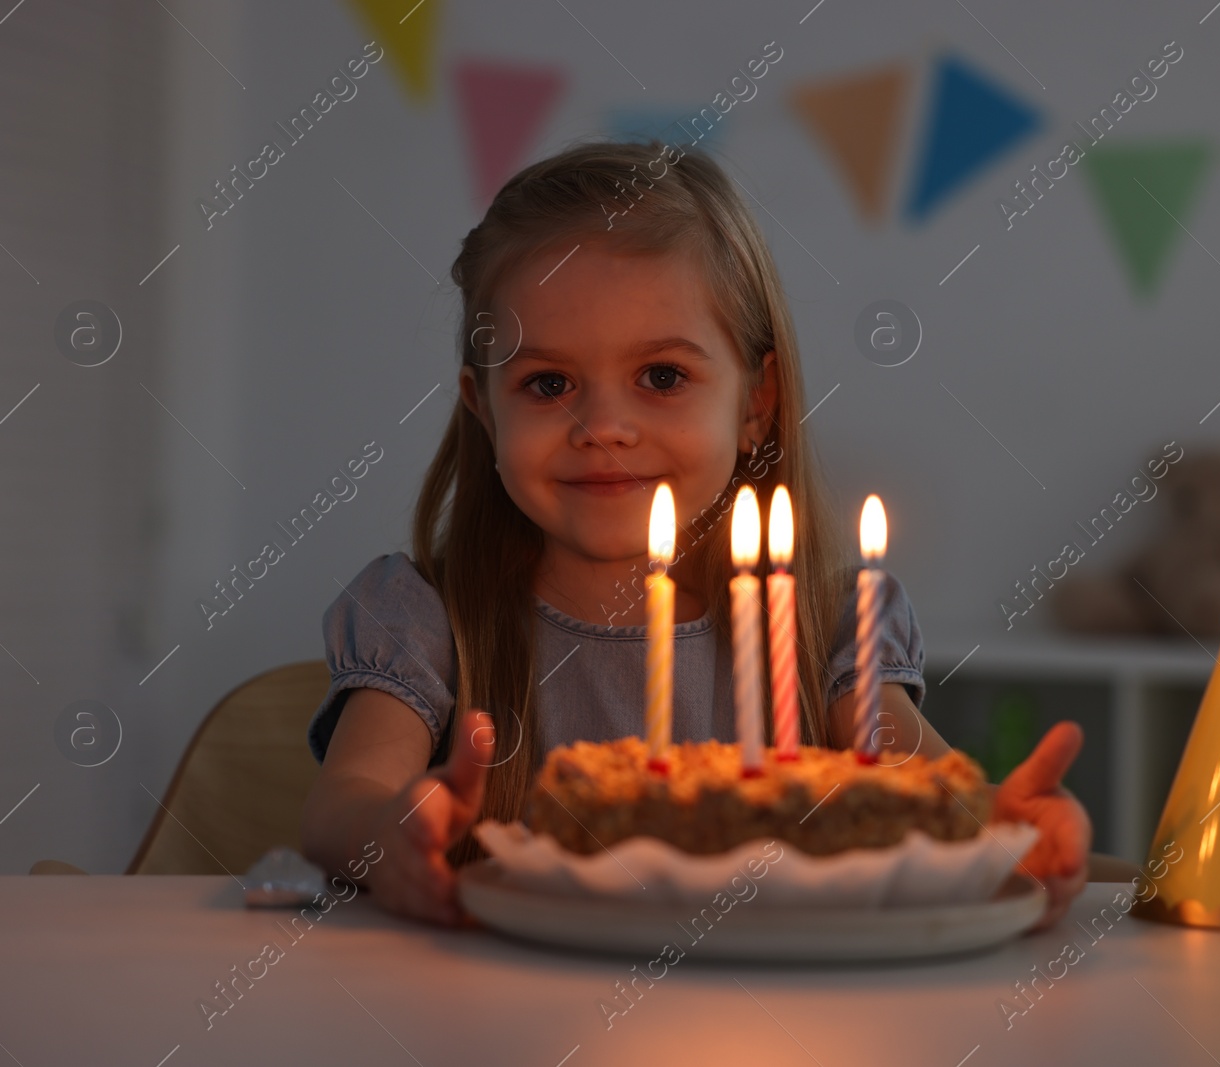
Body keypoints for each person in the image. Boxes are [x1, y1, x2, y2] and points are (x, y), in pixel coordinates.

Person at [300, 140, 1089, 928]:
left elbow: (920, 783)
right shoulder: (425, 617)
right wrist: (390, 835)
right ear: (483, 409)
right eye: (548, 384)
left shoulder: (825, 626)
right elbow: (346, 803)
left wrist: (1005, 823)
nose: (603, 426)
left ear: (756, 402)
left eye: (662, 377)